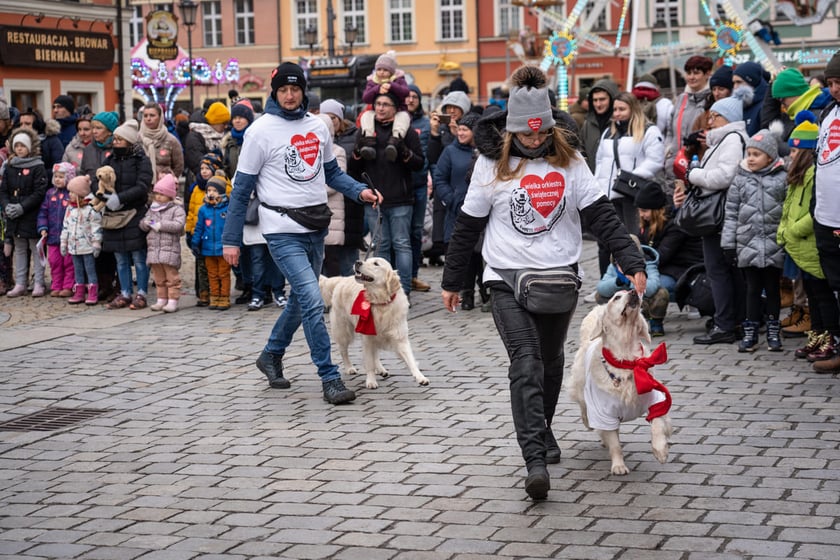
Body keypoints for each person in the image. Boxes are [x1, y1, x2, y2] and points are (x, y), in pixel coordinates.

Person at [441, 66, 646, 500]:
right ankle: (534, 460)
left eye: (540, 135)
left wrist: (631, 258)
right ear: (511, 131)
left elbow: (601, 215)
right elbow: (467, 225)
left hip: (559, 277)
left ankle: (544, 428)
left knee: (552, 364)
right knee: (527, 364)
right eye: (526, 136)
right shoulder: (489, 165)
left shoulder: (570, 161)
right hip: (505, 278)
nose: (534, 142)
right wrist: (454, 278)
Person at [220, 61, 381, 405]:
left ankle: (271, 354)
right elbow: (241, 189)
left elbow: (331, 174)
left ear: (303, 91)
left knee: (299, 299)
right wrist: (231, 239)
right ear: (274, 93)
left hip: (315, 226)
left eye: (295, 89)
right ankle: (329, 377)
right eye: (283, 90)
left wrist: (359, 191)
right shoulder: (260, 131)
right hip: (280, 228)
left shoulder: (318, 126)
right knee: (311, 299)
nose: (290, 96)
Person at [677, 93, 749, 344]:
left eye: (714, 116)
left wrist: (694, 174)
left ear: (726, 117)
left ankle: (726, 324)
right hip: (724, 213)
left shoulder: (730, 140)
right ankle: (734, 319)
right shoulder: (729, 139)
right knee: (728, 270)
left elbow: (724, 176)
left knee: (718, 270)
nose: (709, 121)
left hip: (720, 215)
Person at [349, 88, 425, 299]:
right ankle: (380, 291)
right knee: (381, 246)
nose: (380, 108)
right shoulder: (366, 129)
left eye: (385, 105)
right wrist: (357, 151)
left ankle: (403, 291)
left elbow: (420, 164)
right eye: (378, 104)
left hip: (401, 198)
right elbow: (354, 168)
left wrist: (404, 152)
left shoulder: (406, 131)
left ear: (395, 108)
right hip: (375, 199)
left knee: (402, 244)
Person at [777, 111, 839, 364]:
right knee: (813, 295)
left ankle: (830, 337)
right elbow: (790, 206)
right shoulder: (796, 177)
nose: (791, 155)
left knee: (823, 295)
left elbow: (813, 211)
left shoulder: (814, 174)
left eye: (794, 151)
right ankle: (817, 334)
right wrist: (784, 229)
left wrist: (792, 230)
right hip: (799, 247)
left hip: (811, 245)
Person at [721, 128, 787, 352]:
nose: (750, 158)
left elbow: (787, 211)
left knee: (772, 288)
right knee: (751, 289)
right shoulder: (740, 180)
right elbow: (730, 214)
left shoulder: (782, 178)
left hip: (773, 244)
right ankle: (750, 330)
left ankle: (772, 329)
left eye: (756, 154)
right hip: (747, 243)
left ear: (770, 156)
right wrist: (728, 244)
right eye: (748, 153)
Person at [591, 91, 665, 283]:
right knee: (607, 241)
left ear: (633, 109)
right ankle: (607, 283)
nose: (617, 113)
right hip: (608, 194)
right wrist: (597, 187)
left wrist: (629, 177)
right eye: (615, 109)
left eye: (622, 109)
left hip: (631, 194)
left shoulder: (648, 130)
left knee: (633, 240)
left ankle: (639, 281)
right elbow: (600, 162)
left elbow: (655, 161)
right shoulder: (609, 132)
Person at [96, 119, 154, 310]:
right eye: (115, 139)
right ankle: (125, 293)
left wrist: (120, 198)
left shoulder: (141, 160)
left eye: (120, 139)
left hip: (134, 212)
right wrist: (103, 196)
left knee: (138, 256)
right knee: (120, 258)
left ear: (129, 141)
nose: (116, 142)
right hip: (113, 216)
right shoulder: (110, 159)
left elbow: (142, 186)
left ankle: (142, 293)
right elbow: (100, 179)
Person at [635, 182, 704, 336]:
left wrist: (642, 265)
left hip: (683, 272)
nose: (641, 214)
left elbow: (661, 257)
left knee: (654, 286)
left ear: (655, 210)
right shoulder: (647, 224)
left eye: (644, 210)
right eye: (639, 210)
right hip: (667, 269)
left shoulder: (674, 225)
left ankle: (655, 318)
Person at [432, 112, 482, 309]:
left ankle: (484, 290)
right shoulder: (450, 151)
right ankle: (466, 293)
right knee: (464, 252)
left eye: (465, 129)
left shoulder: (482, 152)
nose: (460, 133)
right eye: (459, 129)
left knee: (480, 253)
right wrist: (451, 199)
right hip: (457, 210)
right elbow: (440, 178)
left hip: (480, 209)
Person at [811, 50, 840, 373]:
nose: (834, 88)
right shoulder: (829, 112)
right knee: (834, 286)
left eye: (839, 82)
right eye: (831, 82)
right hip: (827, 216)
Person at [1, 128, 48, 297]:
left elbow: (39, 192)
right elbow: (4, 190)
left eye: (23, 146)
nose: (19, 149)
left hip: (31, 214)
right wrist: (7, 206)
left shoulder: (38, 166)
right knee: (19, 249)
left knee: (36, 249)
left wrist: (22, 207)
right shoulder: (10, 166)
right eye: (17, 146)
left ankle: (39, 283)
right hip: (14, 215)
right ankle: (21, 282)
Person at [222, 98, 257, 302]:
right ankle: (245, 283)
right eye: (234, 117)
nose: (237, 121)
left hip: (253, 196)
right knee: (238, 243)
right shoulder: (228, 143)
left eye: (241, 118)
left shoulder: (253, 139)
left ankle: (259, 286)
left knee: (254, 245)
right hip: (233, 194)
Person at [140, 174, 186, 313]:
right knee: (159, 277)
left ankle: (172, 300)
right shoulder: (152, 209)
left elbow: (178, 225)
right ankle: (161, 299)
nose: (158, 197)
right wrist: (146, 224)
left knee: (171, 277)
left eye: (162, 194)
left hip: (169, 248)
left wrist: (161, 225)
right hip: (154, 249)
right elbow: (143, 223)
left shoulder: (176, 209)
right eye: (156, 194)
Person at [186, 154, 228, 307]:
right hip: (205, 239)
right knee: (204, 269)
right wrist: (190, 232)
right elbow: (192, 211)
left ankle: (223, 295)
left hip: (221, 241)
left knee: (222, 272)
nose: (203, 171)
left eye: (207, 168)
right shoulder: (196, 189)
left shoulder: (224, 191)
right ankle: (206, 294)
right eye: (201, 168)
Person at [666, 56, 713, 188]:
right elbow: (670, 130)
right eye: (689, 73)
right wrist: (668, 151)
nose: (691, 77)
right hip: (675, 167)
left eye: (696, 73)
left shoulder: (711, 100)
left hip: (698, 168)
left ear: (707, 73)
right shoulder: (681, 99)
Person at [359, 51, 412, 162]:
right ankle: (369, 141)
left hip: (398, 110)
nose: (381, 73)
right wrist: (377, 88)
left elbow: (405, 92)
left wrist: (391, 86)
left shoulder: (399, 79)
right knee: (366, 116)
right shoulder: (372, 81)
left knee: (403, 118)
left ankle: (395, 140)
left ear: (391, 71)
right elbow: (366, 98)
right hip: (376, 112)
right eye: (379, 69)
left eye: (385, 70)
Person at [405, 85, 432, 292]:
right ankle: (401, 275)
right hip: (400, 183)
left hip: (420, 183)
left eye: (415, 96)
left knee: (415, 232)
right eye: (408, 96)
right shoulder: (398, 121)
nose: (411, 100)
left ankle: (413, 275)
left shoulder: (426, 123)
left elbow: (430, 153)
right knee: (399, 234)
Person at [61, 175, 102, 305]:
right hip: (74, 246)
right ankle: (79, 291)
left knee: (90, 270)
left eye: (72, 192)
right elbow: (66, 226)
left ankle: (92, 291)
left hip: (87, 246)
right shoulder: (70, 209)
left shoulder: (90, 209)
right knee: (77, 270)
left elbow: (96, 226)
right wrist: (64, 242)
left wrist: (96, 242)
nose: (70, 194)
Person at [37, 162, 77, 297]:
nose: (58, 179)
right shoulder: (50, 194)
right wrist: (43, 227)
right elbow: (43, 211)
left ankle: (68, 285)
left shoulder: (72, 194)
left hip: (68, 237)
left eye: (61, 176)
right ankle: (56, 284)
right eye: (56, 177)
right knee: (54, 261)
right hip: (53, 235)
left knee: (68, 262)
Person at [580, 78, 620, 173]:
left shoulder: (620, 123)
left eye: (602, 99)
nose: (598, 104)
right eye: (595, 100)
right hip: (593, 180)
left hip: (615, 181)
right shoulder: (587, 124)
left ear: (612, 99)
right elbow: (581, 150)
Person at [184, 102, 229, 184]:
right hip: (199, 183)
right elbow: (196, 162)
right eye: (224, 123)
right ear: (215, 122)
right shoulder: (195, 136)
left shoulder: (224, 136)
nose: (226, 126)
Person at [139, 102, 184, 182]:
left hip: (164, 188)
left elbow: (179, 166)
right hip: (142, 186)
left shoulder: (171, 140)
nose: (148, 119)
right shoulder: (138, 139)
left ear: (160, 117)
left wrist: (168, 179)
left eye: (152, 115)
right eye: (145, 116)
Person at [18, 109, 63, 184]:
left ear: (37, 124)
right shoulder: (16, 143)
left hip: (46, 186)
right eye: (21, 124)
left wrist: (36, 175)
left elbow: (58, 166)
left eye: (27, 124)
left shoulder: (52, 141)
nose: (23, 127)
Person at [733, 62, 770, 136]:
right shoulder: (738, 106)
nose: (735, 87)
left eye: (739, 82)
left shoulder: (765, 106)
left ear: (752, 82)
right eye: (733, 83)